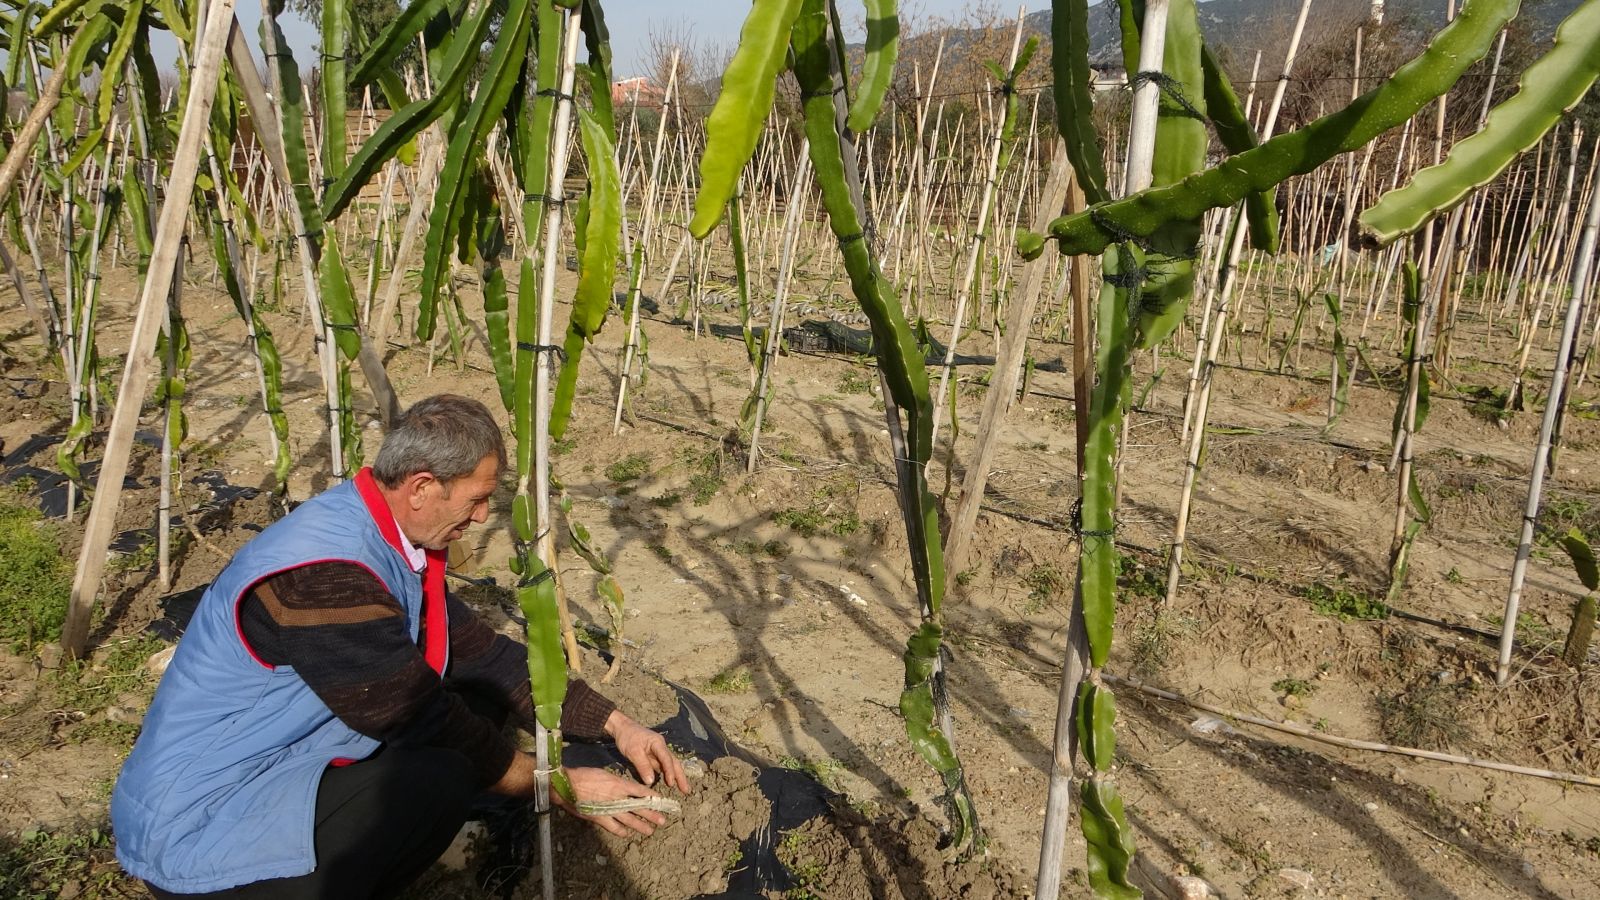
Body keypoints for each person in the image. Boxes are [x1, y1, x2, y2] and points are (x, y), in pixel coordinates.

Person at [112, 394, 688, 898]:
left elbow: (489, 658)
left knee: (479, 703)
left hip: (275, 765)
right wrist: (553, 782)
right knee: (438, 777)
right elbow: (421, 721)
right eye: (477, 499)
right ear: (422, 487)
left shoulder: (389, 541)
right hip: (199, 823)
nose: (485, 516)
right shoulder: (327, 574)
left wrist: (616, 724)